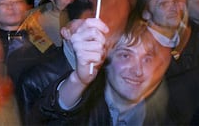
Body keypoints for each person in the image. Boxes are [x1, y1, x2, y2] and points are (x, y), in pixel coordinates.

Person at [34, 18, 175, 125]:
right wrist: (78, 80)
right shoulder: (87, 111)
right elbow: (47, 118)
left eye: (147, 59)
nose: (138, 71)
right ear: (105, 60)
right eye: (125, 56)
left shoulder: (161, 114)